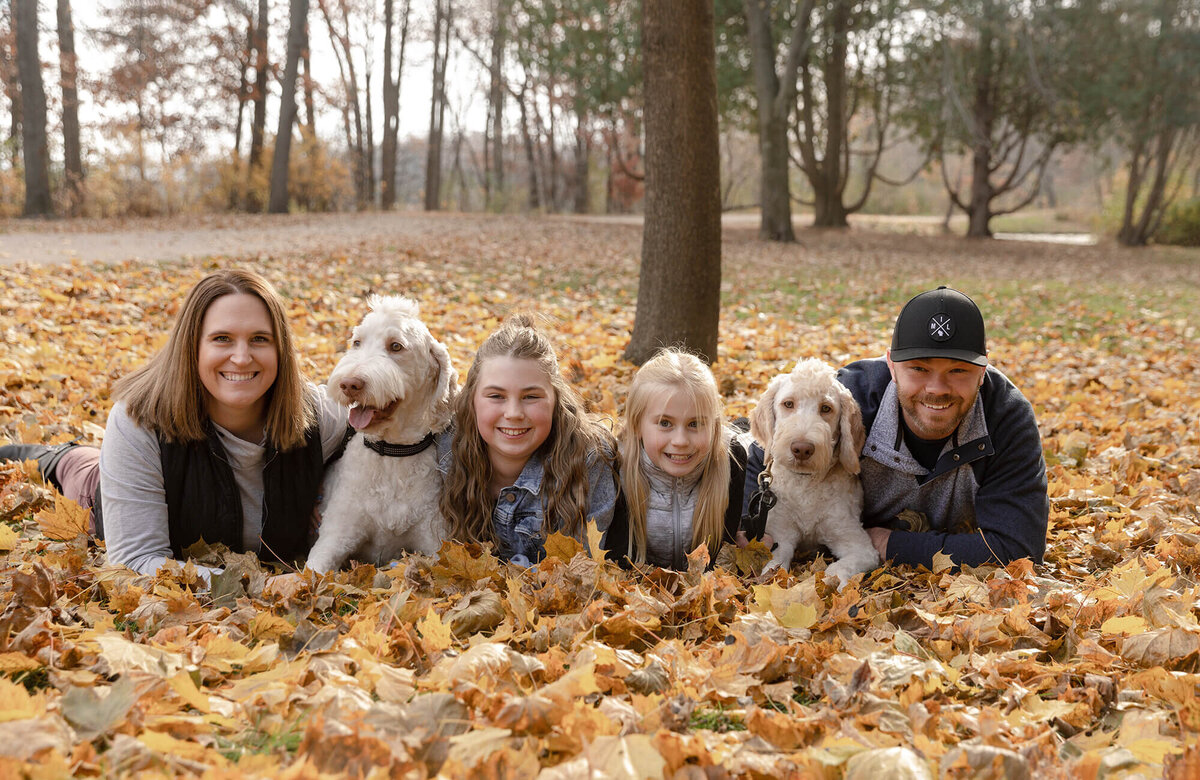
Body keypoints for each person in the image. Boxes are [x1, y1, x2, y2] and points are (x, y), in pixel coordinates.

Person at [2, 270, 349, 582]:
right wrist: (257, 587)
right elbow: (135, 559)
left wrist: (334, 484)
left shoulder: (317, 415)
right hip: (101, 493)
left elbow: (379, 438)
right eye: (222, 339)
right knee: (76, 466)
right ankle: (52, 454)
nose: (242, 357)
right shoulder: (139, 419)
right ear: (192, 346)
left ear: (281, 349)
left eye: (260, 339)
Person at [744, 286, 1048, 569]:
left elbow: (1020, 550)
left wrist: (893, 544)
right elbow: (757, 449)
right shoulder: (853, 397)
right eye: (919, 368)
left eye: (958, 370)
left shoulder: (1006, 418)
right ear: (891, 365)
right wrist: (748, 522)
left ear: (982, 372)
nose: (937, 388)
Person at [438, 315, 618, 566]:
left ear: (556, 401)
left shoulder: (588, 457)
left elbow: (578, 570)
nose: (513, 413)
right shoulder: (445, 449)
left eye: (531, 396)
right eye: (496, 396)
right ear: (472, 400)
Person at [602, 349, 746, 569]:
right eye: (665, 423)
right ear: (637, 424)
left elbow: (720, 559)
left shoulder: (729, 461)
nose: (680, 441)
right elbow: (618, 562)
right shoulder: (616, 465)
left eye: (695, 424)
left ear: (714, 425)